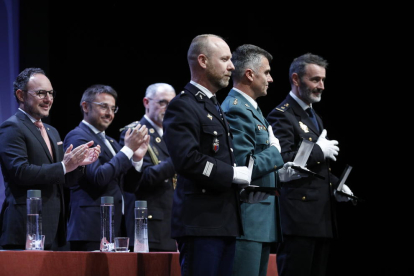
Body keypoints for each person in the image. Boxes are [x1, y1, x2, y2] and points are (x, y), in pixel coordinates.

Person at [163, 34, 275, 276]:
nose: (232, 66)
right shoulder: (183, 105)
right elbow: (187, 160)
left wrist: (241, 189)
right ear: (203, 61)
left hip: (224, 221)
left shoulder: (212, 105)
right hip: (201, 223)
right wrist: (233, 174)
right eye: (225, 59)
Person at [221, 44, 308, 276]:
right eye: (267, 72)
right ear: (250, 74)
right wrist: (274, 152)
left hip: (260, 221)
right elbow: (242, 167)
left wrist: (279, 172)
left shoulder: (253, 109)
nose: (270, 79)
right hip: (247, 222)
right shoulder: (236, 109)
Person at [266, 53, 355, 276]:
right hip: (298, 218)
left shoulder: (314, 116)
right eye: (315, 80)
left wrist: (336, 185)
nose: (321, 86)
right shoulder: (281, 115)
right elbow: (283, 160)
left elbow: (316, 169)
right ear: (296, 80)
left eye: (323, 80)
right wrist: (318, 151)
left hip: (319, 217)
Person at [0, 67, 100, 250]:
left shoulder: (51, 131)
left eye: (51, 93)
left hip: (56, 231)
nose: (48, 99)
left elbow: (63, 180)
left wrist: (77, 165)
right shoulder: (11, 128)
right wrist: (63, 166)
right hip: (25, 229)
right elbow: (20, 172)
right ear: (21, 95)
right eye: (41, 93)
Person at [63, 84, 149, 251]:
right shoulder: (78, 137)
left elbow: (130, 187)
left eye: (113, 108)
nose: (110, 113)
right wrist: (128, 149)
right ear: (85, 106)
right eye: (103, 107)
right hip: (90, 230)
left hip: (115, 228)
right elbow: (98, 177)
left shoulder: (111, 142)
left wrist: (137, 159)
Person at [119, 82, 177, 252]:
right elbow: (139, 179)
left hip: (174, 222)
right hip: (150, 224)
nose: (167, 108)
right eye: (162, 102)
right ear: (146, 102)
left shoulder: (172, 135)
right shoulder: (134, 133)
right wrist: (177, 161)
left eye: (171, 103)